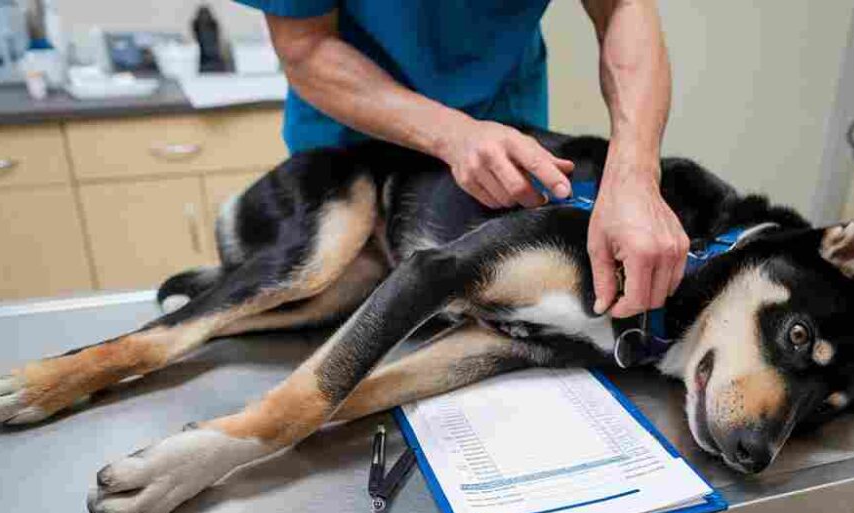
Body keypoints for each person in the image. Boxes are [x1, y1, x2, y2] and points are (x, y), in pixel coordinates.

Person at [236, 0, 689, 318]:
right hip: (353, 147)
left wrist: (634, 174)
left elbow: (622, 9)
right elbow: (305, 47)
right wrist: (452, 135)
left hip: (507, 143)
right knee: (336, 298)